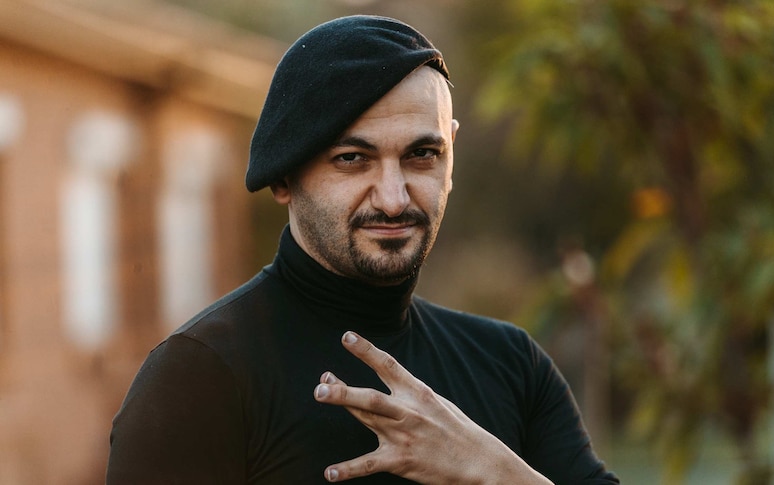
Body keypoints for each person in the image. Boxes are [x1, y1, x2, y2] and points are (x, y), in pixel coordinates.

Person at [107, 15, 619, 484]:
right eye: (352, 158)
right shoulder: (201, 378)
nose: (394, 199)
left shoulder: (512, 365)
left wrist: (486, 467)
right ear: (284, 175)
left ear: (452, 154)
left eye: (422, 154)